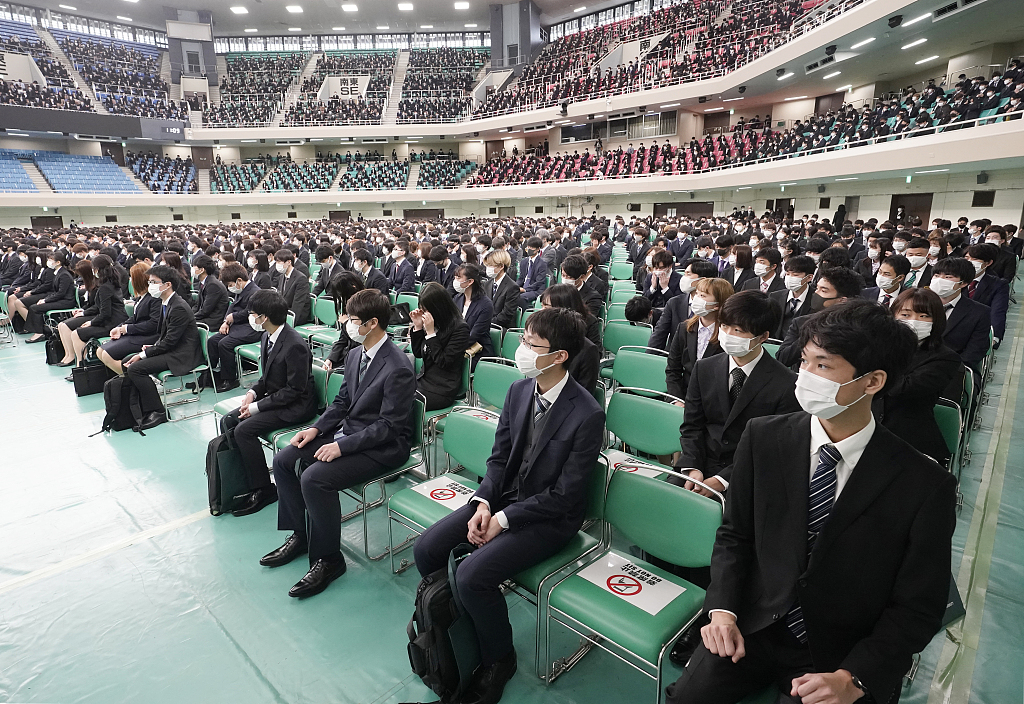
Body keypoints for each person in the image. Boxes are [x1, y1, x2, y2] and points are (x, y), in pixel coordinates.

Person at [665, 299, 956, 704]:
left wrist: (855, 676)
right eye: (804, 361)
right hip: (752, 622)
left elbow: (918, 606)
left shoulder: (923, 484)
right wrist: (723, 611)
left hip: (839, 651)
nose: (804, 376)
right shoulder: (764, 437)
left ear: (872, 382)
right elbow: (735, 536)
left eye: (823, 365)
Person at [413, 307, 605, 704]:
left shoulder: (587, 413)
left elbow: (566, 495)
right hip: (502, 499)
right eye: (523, 340)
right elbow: (500, 458)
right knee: (427, 549)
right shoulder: (519, 391)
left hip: (550, 517)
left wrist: (503, 518)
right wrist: (484, 501)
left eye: (532, 345)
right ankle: (461, 624)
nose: (523, 350)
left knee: (472, 577)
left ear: (559, 356)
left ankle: (499, 657)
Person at [261, 289, 416, 599]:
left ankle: (329, 559)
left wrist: (341, 447)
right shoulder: (356, 353)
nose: (346, 323)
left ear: (372, 323)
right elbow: (343, 401)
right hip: (351, 432)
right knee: (284, 460)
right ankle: (301, 534)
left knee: (314, 478)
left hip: (383, 446)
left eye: (352, 319)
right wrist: (316, 429)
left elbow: (389, 427)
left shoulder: (398, 365)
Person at [676, 290, 801, 494]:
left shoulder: (786, 383)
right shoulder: (704, 368)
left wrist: (722, 480)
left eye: (738, 330)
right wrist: (693, 467)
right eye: (724, 326)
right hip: (701, 464)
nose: (728, 335)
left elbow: (772, 447)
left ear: (763, 336)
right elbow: (692, 425)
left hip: (749, 476)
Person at [221, 290, 319, 518]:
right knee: (229, 420)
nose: (250, 317)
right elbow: (266, 378)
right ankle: (244, 480)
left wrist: (257, 407)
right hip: (276, 398)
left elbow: (294, 390)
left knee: (244, 430)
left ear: (264, 317)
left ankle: (264, 489)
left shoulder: (294, 345)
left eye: (253, 313)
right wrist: (252, 394)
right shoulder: (268, 335)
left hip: (296, 406)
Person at [879, 288, 963, 466]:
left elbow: (901, 388)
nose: (914, 321)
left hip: (909, 438)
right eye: (905, 314)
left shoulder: (945, 358)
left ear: (936, 321)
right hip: (866, 428)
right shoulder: (879, 346)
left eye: (924, 316)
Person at [122, 266, 204, 430]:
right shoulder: (166, 303)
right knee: (127, 361)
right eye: (149, 282)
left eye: (153, 282)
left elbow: (170, 342)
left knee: (136, 368)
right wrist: (152, 347)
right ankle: (140, 406)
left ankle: (158, 412)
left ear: (167, 285)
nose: (150, 285)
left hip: (181, 355)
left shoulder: (178, 307)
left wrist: (145, 353)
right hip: (172, 349)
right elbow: (166, 337)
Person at [776, 267, 864, 368]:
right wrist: (810, 333)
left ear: (843, 300)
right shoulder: (801, 322)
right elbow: (782, 358)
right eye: (817, 288)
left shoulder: (858, 327)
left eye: (823, 290)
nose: (816, 293)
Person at [665, 277, 734, 400]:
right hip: (684, 395)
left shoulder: (728, 335)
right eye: (696, 294)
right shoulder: (684, 328)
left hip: (714, 399)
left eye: (702, 296)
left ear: (717, 305)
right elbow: (672, 369)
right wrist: (676, 399)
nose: (696, 299)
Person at [55, 254, 127, 368]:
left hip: (112, 323)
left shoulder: (104, 288)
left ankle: (81, 366)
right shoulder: (111, 283)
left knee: (77, 334)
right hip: (115, 320)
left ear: (97, 269)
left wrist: (91, 322)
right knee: (76, 332)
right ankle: (79, 364)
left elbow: (105, 313)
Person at [410, 282, 471, 411]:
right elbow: (418, 353)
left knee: (401, 402)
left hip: (441, 389)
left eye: (427, 310)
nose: (425, 314)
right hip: (423, 381)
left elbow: (444, 362)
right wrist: (418, 327)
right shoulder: (434, 322)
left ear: (438, 308)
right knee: (390, 391)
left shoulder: (460, 328)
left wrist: (431, 334)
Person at [207, 263, 263, 393]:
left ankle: (230, 379)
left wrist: (233, 317)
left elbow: (250, 311)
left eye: (230, 285)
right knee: (212, 341)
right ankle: (210, 374)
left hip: (252, 328)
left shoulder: (255, 292)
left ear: (239, 280)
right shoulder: (242, 290)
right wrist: (226, 322)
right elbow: (231, 307)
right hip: (239, 326)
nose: (229, 288)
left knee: (225, 344)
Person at [98, 262, 162, 376]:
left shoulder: (154, 297)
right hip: (138, 333)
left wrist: (127, 329)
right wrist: (119, 328)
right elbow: (135, 317)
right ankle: (126, 378)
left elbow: (154, 324)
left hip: (149, 336)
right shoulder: (141, 297)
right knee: (100, 351)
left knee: (107, 355)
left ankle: (132, 378)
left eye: (132, 278)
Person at [929, 257, 991, 374]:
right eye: (936, 276)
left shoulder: (979, 312)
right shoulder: (914, 304)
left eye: (948, 277)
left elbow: (975, 350)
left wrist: (947, 370)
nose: (940, 280)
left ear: (964, 283)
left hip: (953, 370)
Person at [539, 284, 600, 395]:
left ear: (564, 309)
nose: (541, 312)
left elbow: (584, 393)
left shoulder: (587, 350)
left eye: (546, 307)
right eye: (541, 306)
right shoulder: (541, 338)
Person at [649, 259, 718, 351]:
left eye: (688, 274)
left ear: (702, 280)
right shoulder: (674, 303)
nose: (684, 278)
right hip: (673, 355)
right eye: (684, 274)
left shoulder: (714, 307)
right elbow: (659, 334)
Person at [24, 250, 75, 343]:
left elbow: (61, 293)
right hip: (61, 299)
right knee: (34, 306)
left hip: (66, 301)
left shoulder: (64, 274)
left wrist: (46, 300)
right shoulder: (58, 273)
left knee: (35, 308)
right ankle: (38, 331)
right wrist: (45, 299)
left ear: (58, 262)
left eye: (51, 260)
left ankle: (39, 333)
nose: (49, 262)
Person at [964, 243, 1009, 346]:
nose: (969, 262)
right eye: (967, 258)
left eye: (975, 259)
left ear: (988, 263)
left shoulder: (998, 284)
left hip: (978, 330)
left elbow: (998, 311)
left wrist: (994, 337)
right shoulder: (955, 280)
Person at [322, 272, 365, 372]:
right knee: (327, 370)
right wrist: (330, 358)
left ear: (353, 287)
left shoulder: (366, 307)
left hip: (361, 356)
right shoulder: (349, 306)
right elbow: (342, 339)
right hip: (349, 354)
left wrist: (347, 323)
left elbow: (360, 341)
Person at [454, 263, 494, 367]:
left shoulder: (485, 305)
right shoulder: (458, 298)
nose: (455, 281)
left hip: (478, 350)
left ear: (470, 281)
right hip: (459, 346)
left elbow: (474, 336)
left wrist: (451, 347)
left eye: (459, 278)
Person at [768, 255, 815, 340]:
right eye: (787, 274)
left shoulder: (816, 298)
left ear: (809, 277)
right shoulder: (775, 296)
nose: (790, 278)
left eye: (795, 275)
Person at [191, 254, 230, 330]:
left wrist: (190, 318)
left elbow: (206, 310)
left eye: (194, 267)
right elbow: (197, 305)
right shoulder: (203, 282)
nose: (192, 269)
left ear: (202, 270)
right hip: (205, 317)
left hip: (213, 320)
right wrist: (190, 315)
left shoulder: (213, 285)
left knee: (185, 324)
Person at [274, 249, 312, 326]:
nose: (277, 264)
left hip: (298, 314)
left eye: (279, 262)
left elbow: (298, 304)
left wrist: (288, 320)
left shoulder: (300, 278)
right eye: (276, 262)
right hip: (285, 312)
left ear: (289, 262)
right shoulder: (282, 276)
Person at [484, 249, 520, 330]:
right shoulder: (487, 284)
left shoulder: (512, 287)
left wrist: (486, 323)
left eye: (490, 265)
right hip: (487, 325)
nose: (487, 268)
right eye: (487, 265)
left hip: (501, 328)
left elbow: (506, 315)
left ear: (501, 266)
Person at [561, 253, 604, 318]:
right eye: (563, 275)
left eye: (570, 277)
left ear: (582, 277)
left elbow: (587, 319)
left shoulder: (592, 298)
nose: (565, 279)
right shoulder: (557, 292)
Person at [517, 236, 550, 306]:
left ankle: (524, 312)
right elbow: (521, 278)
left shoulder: (542, 264)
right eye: (528, 247)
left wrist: (525, 289)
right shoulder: (524, 262)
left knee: (521, 297)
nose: (529, 249)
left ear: (538, 249)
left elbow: (539, 282)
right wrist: (515, 287)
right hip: (523, 287)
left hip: (536, 290)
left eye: (532, 248)